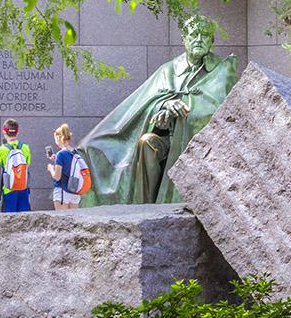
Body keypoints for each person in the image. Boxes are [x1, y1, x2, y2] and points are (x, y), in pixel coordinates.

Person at [81, 16, 240, 205]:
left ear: (212, 41)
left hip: (201, 142)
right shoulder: (168, 70)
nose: (199, 39)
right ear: (184, 38)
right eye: (194, 34)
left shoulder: (222, 69)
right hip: (166, 137)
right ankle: (145, 208)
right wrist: (163, 108)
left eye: (205, 35)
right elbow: (145, 104)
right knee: (146, 143)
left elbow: (218, 107)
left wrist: (181, 109)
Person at [0, 119, 33, 213]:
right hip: (23, 186)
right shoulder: (25, 147)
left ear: (4, 132)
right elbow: (27, 164)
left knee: (10, 217)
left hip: (9, 187)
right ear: (17, 132)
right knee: (24, 216)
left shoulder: (2, 149)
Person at [49, 124, 89, 210]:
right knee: (74, 220)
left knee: (61, 220)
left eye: (55, 139)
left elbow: (57, 176)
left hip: (62, 191)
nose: (56, 142)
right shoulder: (74, 152)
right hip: (74, 191)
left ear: (59, 138)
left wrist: (51, 168)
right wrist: (57, 159)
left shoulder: (60, 154)